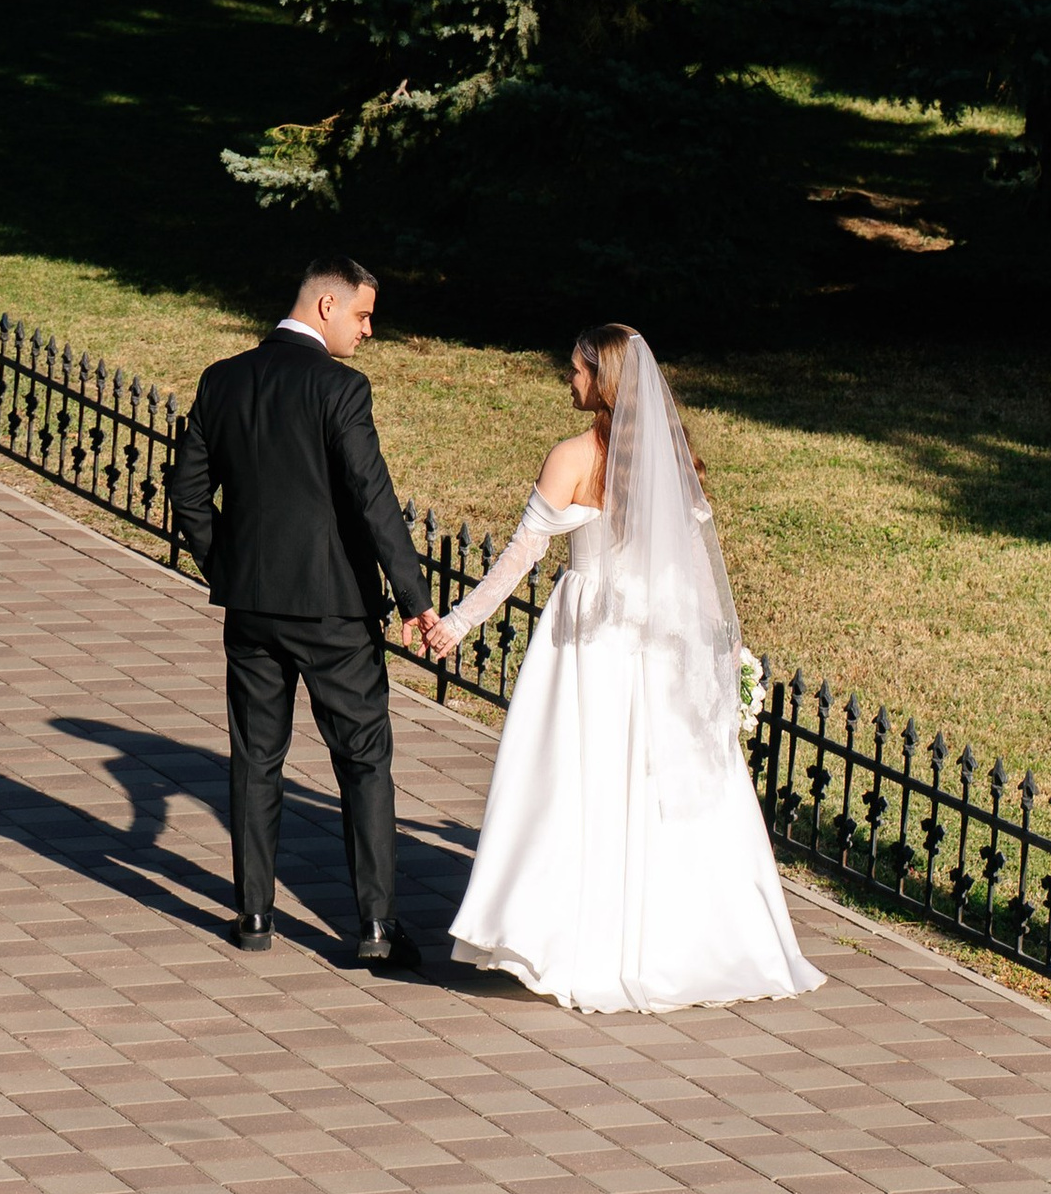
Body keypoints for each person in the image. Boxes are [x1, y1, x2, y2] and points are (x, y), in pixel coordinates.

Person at [424, 321, 825, 1015]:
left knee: (578, 778)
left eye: (578, 370)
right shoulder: (669, 457)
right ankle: (676, 938)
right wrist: (720, 655)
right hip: (655, 638)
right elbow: (694, 571)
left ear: (604, 380)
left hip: (589, 640)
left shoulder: (571, 457)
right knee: (646, 778)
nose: (570, 379)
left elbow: (520, 557)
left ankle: (572, 934)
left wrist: (459, 622)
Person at [170, 253, 435, 968]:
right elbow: (372, 497)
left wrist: (229, 568)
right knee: (364, 760)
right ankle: (375, 927)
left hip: (252, 608)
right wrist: (413, 599)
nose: (369, 330)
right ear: (326, 305)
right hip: (334, 611)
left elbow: (188, 495)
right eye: (363, 314)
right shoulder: (340, 389)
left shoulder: (223, 379)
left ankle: (254, 914)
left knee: (256, 758)